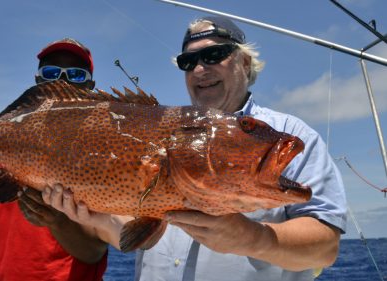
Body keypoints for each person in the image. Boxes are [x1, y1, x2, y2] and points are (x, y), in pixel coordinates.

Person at [42, 16, 348, 281]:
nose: (200, 68)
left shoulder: (288, 136)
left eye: (214, 55)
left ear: (244, 62)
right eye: (188, 62)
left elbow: (325, 247)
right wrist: (92, 218)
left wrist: (256, 238)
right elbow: (142, 235)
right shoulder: (167, 128)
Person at [0, 38, 108, 281]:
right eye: (51, 72)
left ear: (90, 86)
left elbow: (93, 252)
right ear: (37, 81)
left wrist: (56, 222)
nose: (62, 81)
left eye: (75, 74)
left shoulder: (104, 154)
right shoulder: (4, 143)